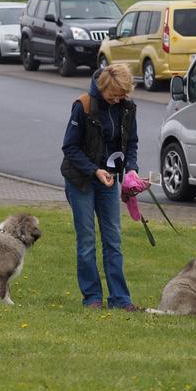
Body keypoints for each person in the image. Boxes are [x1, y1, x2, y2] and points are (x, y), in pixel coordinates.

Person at [61, 64, 140, 311]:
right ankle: (92, 298)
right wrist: (94, 170)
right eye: (112, 95)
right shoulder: (83, 105)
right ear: (103, 85)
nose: (116, 100)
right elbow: (69, 148)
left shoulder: (126, 108)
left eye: (121, 96)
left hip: (109, 181)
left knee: (113, 240)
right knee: (86, 241)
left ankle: (120, 299)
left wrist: (132, 169)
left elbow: (132, 143)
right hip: (82, 180)